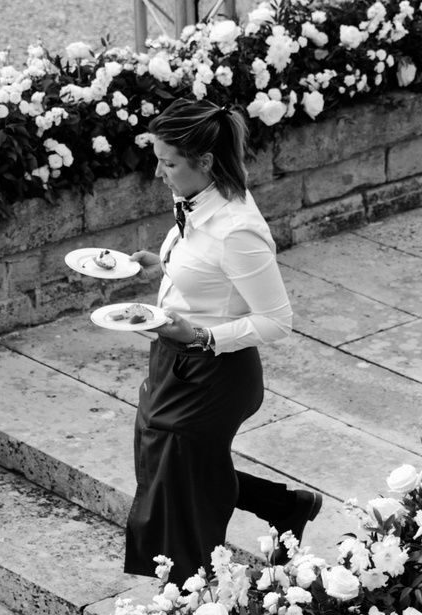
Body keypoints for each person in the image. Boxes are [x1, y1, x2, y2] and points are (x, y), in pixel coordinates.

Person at [121, 98, 321, 585]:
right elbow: (208, 270)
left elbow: (277, 320)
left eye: (168, 163)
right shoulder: (199, 197)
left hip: (213, 373)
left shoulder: (237, 230)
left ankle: (194, 600)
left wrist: (202, 335)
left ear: (205, 161)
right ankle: (285, 507)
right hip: (172, 355)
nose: (158, 173)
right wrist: (162, 266)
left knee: (178, 474)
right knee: (170, 462)